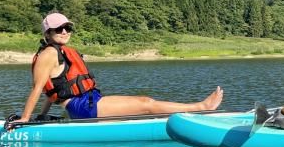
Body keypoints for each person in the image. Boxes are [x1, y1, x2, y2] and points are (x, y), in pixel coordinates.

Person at [15, 12, 223, 123]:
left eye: (67, 28)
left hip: (87, 102)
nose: (64, 31)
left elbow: (52, 91)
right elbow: (38, 88)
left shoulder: (60, 52)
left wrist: (42, 116)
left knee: (143, 104)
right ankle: (201, 108)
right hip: (81, 107)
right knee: (145, 103)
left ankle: (191, 112)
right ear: (47, 33)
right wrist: (25, 119)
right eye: (58, 29)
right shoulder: (49, 53)